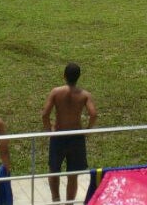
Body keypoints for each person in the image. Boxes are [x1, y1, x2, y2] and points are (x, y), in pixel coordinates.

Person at [42, 63, 97, 203]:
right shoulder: (85, 95)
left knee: (54, 170)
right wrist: (88, 131)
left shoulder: (56, 92)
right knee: (73, 175)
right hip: (76, 137)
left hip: (58, 135)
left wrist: (49, 132)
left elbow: (45, 114)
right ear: (79, 77)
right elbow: (93, 114)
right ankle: (69, 202)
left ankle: (56, 199)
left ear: (64, 75)